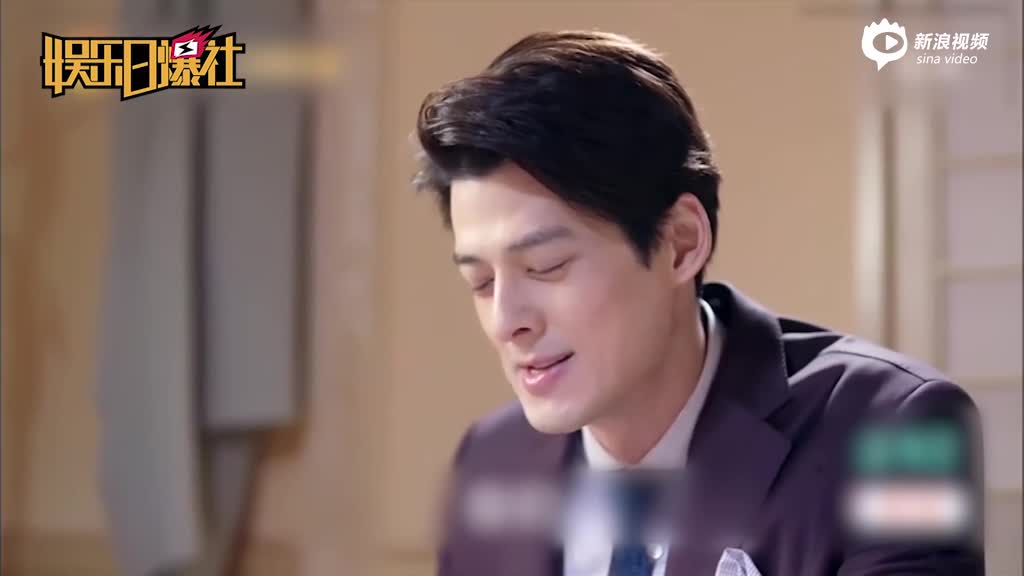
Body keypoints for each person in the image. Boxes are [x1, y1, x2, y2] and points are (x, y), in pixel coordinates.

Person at [412, 30, 984, 576]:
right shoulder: (491, 461)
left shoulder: (894, 434)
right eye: (480, 282)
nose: (506, 322)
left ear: (681, 242)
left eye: (546, 266)